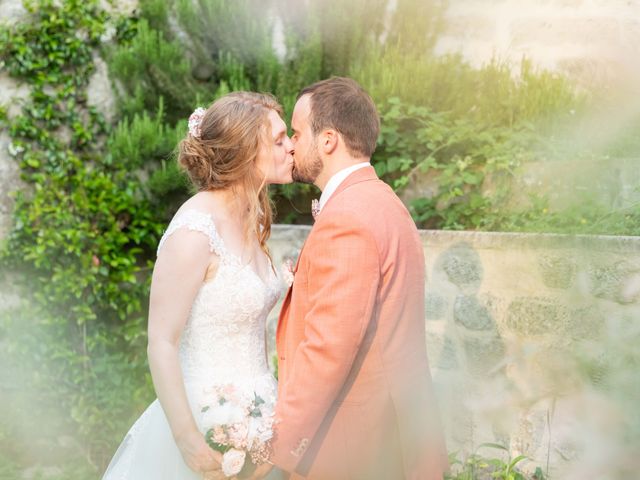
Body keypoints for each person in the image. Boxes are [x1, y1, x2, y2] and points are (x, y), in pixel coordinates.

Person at [102, 92, 293, 480]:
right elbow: (161, 341)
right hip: (207, 423)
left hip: (262, 415)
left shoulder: (251, 218)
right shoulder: (194, 231)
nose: (291, 147)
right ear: (244, 151)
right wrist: (187, 438)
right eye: (278, 140)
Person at [269, 77, 448, 479]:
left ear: (328, 139)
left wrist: (277, 447)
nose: (292, 145)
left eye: (297, 133)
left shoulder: (347, 218)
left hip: (350, 448)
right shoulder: (385, 202)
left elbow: (327, 349)